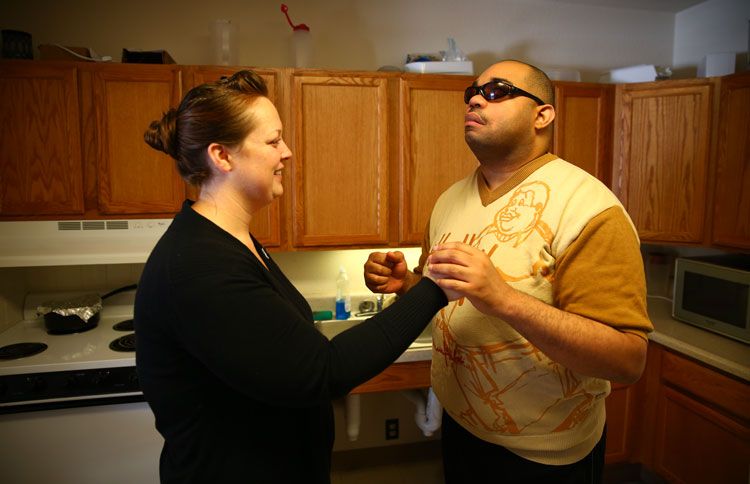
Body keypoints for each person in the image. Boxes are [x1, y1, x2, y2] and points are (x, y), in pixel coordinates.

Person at [135, 70, 451, 484]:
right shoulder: (200, 265)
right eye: (272, 141)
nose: (286, 152)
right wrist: (433, 288)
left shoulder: (234, 242)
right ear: (222, 156)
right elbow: (323, 371)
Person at [364, 60, 653, 484]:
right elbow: (445, 297)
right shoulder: (449, 200)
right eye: (472, 93)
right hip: (462, 427)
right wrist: (407, 285)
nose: (476, 99)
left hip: (546, 455)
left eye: (498, 91)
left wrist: (503, 299)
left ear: (542, 115)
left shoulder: (589, 209)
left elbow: (627, 360)